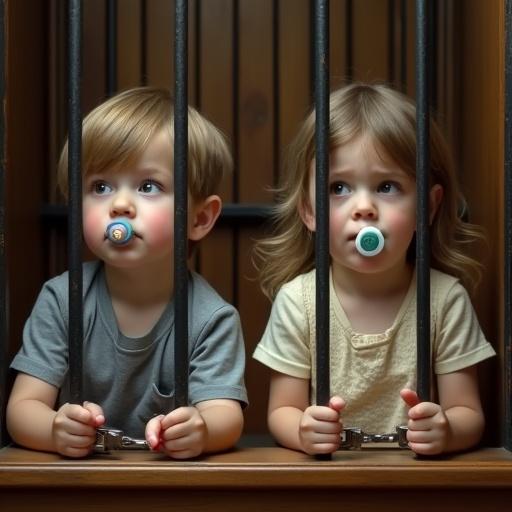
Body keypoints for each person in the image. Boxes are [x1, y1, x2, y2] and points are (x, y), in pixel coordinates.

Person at [252, 83, 495, 456]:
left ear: (427, 209)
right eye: (338, 188)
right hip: (328, 485)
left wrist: (446, 431)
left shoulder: (445, 300)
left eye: (386, 186)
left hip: (415, 486)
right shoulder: (298, 301)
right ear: (309, 211)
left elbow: (468, 412)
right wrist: (303, 431)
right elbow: (282, 410)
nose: (364, 207)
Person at [7, 87, 248, 459]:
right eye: (100, 187)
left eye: (148, 186)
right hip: (80, 486)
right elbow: (22, 409)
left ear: (199, 218)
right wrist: (55, 430)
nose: (119, 204)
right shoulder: (61, 298)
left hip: (169, 489)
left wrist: (200, 429)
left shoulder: (211, 317)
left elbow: (226, 416)